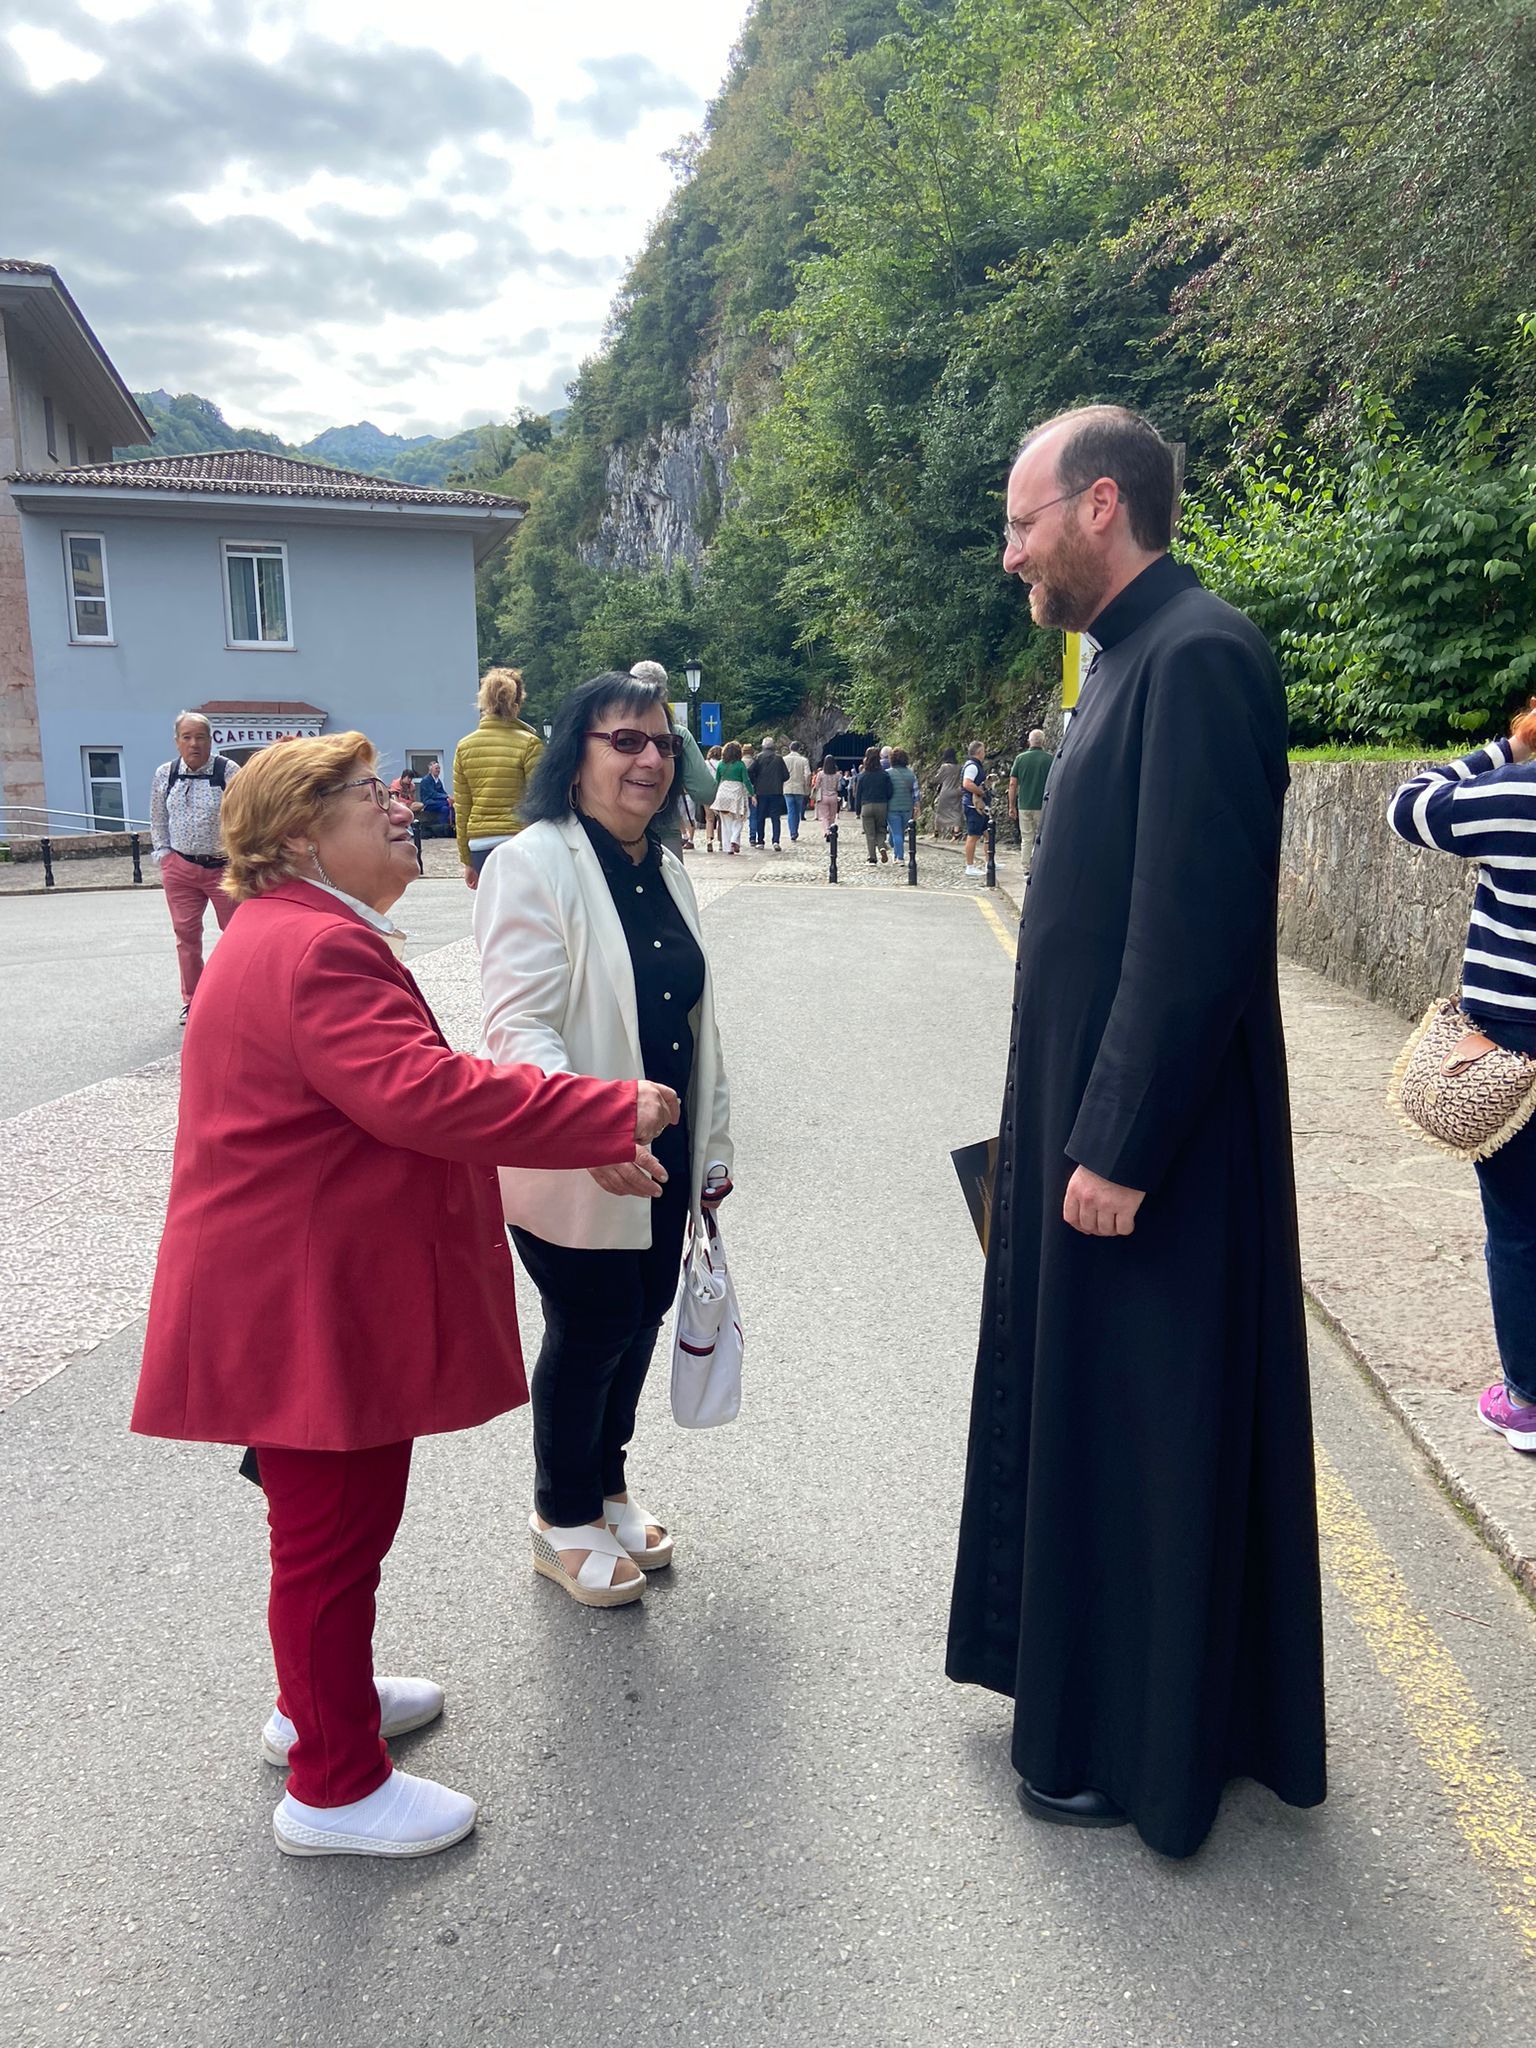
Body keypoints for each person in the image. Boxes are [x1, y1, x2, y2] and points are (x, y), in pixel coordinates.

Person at [131, 732, 670, 1858]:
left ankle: (319, 1704)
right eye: (366, 795)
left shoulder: (295, 931)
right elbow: (420, 1094)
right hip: (303, 1293)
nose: (400, 808)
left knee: (327, 1534)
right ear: (296, 835)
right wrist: (599, 1111)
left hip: (299, 1281)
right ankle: (332, 1787)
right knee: (331, 1539)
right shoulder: (315, 946)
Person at [946, 403, 1326, 1859]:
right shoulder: (1118, 663)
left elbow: (1195, 934)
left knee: (1151, 1436)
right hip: (1090, 1125)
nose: (1010, 554)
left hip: (1155, 1153)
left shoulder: (1203, 657)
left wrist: (1115, 1143)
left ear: (1101, 506)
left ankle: (1145, 1749)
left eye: (1022, 521)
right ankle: (1091, 1703)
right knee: (1096, 1426)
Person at [474, 672, 734, 1608]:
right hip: (570, 1151)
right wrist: (590, 1118)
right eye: (625, 741)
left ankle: (609, 1484)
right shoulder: (531, 863)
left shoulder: (663, 866)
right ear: (574, 756)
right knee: (589, 1327)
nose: (651, 759)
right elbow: (518, 1027)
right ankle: (560, 1513)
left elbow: (693, 1021)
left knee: (642, 1317)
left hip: (659, 1150)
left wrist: (709, 1145)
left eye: (662, 744)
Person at [1387, 704, 1536, 1454]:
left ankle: (1529, 1400)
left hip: (1515, 1044)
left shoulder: (1520, 796)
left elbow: (1409, 805)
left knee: (1519, 1225)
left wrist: (1505, 749)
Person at [149, 710, 240, 1026]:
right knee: (186, 936)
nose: (194, 743)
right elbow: (158, 816)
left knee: (238, 934)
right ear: (177, 742)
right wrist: (164, 854)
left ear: (210, 740)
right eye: (187, 737)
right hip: (181, 867)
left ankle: (235, 994)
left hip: (223, 868)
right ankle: (193, 1000)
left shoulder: (228, 771)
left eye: (200, 736)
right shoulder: (165, 773)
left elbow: (245, 814)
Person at [453, 666, 544, 889]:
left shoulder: (464, 747)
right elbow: (539, 802)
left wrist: (467, 860)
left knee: (491, 913)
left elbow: (462, 808)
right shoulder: (529, 744)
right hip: (520, 840)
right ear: (517, 701)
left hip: (480, 844)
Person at [628, 662, 717, 860]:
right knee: (670, 888)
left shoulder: (612, 732)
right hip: (664, 832)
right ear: (665, 693)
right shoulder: (678, 736)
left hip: (614, 833)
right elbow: (705, 791)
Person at [1009, 729, 1054, 869]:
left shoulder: (1020, 759)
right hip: (1043, 805)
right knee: (1042, 837)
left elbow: (1012, 783)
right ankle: (1041, 865)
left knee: (1027, 838)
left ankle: (1026, 867)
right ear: (1043, 742)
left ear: (1029, 741)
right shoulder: (1050, 759)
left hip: (1024, 804)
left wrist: (1011, 805)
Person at [750, 735, 790, 850]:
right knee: (775, 817)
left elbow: (750, 771)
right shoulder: (779, 759)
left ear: (763, 746)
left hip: (761, 792)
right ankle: (775, 841)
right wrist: (778, 780)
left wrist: (756, 782)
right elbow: (786, 775)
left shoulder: (758, 758)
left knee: (760, 816)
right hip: (776, 791)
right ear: (773, 747)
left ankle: (760, 841)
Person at [711, 741, 752, 853]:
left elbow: (717, 781)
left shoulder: (721, 764)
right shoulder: (740, 765)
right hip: (736, 793)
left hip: (723, 793)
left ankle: (728, 847)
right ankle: (734, 840)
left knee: (725, 823)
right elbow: (746, 781)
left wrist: (714, 795)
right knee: (739, 819)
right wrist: (753, 794)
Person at [855, 747, 891, 864]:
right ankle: (881, 846)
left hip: (867, 806)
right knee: (881, 830)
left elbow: (858, 794)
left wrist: (857, 810)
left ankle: (872, 858)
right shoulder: (884, 775)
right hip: (881, 805)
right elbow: (890, 791)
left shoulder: (862, 776)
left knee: (870, 834)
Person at [960, 741, 991, 877]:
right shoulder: (972, 767)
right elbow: (967, 783)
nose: (984, 753)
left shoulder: (974, 765)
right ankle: (970, 866)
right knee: (973, 836)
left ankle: (989, 862)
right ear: (979, 752)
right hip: (973, 806)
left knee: (987, 833)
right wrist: (981, 792)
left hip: (979, 806)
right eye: (983, 751)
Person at [886, 748, 917, 862]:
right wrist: (917, 805)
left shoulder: (888, 773)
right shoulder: (911, 774)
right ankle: (896, 854)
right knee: (901, 832)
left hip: (892, 807)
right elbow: (915, 792)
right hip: (907, 808)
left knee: (896, 833)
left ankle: (900, 857)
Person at [783, 739, 812, 841]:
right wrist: (806, 784)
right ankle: (795, 830)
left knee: (790, 811)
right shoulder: (804, 760)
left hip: (787, 787)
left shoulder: (784, 759)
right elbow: (808, 774)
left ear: (790, 748)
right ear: (799, 749)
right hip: (799, 788)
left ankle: (793, 832)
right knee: (798, 811)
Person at [932, 749, 964, 839]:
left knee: (940, 812)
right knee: (956, 811)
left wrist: (932, 781)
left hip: (946, 792)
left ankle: (936, 832)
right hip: (957, 791)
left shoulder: (944, 767)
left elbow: (937, 779)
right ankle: (956, 833)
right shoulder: (959, 767)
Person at [416, 761, 452, 836]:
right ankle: (442, 829)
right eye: (436, 768)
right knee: (446, 803)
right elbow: (432, 794)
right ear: (430, 770)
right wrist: (446, 797)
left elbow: (443, 792)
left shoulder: (438, 781)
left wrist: (448, 797)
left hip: (436, 803)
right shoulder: (426, 780)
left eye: (439, 768)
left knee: (445, 808)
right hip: (428, 802)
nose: (438, 770)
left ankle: (443, 829)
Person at [813, 754, 841, 835]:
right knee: (832, 816)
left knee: (825, 816)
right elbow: (838, 787)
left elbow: (817, 785)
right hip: (833, 796)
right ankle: (831, 829)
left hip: (823, 796)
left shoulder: (821, 774)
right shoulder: (837, 774)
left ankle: (826, 831)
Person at [703, 746, 724, 849]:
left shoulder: (705, 764)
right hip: (720, 792)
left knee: (709, 818)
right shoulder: (722, 764)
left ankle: (709, 840)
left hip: (707, 792)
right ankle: (721, 842)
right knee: (721, 819)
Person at [741, 744, 760, 846]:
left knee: (739, 816)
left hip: (741, 792)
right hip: (753, 791)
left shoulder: (739, 763)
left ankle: (736, 837)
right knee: (753, 815)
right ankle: (752, 837)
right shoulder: (755, 762)